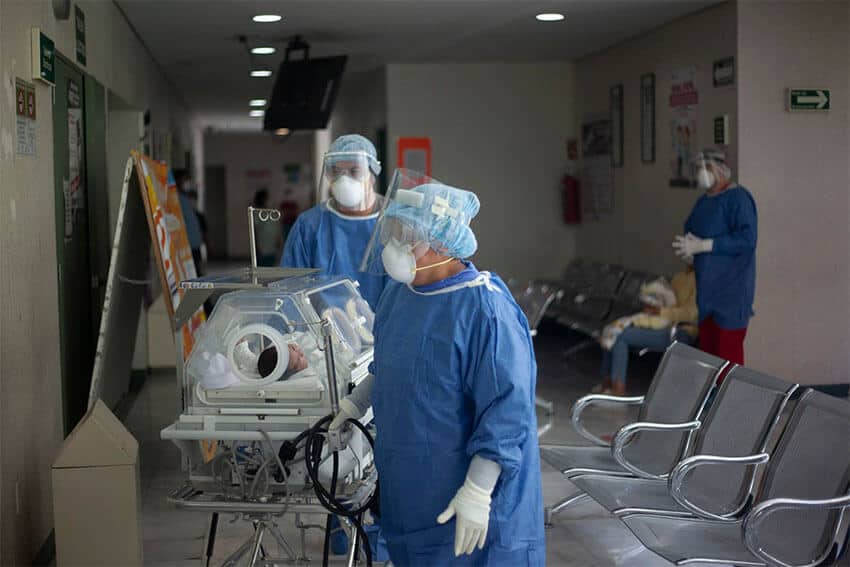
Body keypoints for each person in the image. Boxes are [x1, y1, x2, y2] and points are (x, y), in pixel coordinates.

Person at [330, 176, 545, 565]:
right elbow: (392, 368)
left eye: (406, 236)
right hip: (412, 497)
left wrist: (478, 491)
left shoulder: (485, 310)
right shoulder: (400, 294)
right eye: (391, 233)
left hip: (471, 504)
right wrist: (354, 405)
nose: (395, 246)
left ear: (444, 243)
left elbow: (506, 414)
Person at [280, 134, 389, 310]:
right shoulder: (310, 226)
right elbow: (289, 290)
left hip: (385, 332)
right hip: (324, 331)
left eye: (355, 171)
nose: (344, 180)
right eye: (336, 172)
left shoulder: (394, 222)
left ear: (373, 174)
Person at [673, 148, 757, 366]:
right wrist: (691, 251)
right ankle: (711, 400)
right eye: (699, 168)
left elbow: (747, 239)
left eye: (706, 167)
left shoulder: (738, 199)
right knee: (708, 361)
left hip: (731, 294)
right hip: (707, 292)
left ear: (721, 170)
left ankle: (730, 401)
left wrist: (707, 245)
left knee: (728, 361)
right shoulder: (704, 202)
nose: (702, 172)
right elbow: (690, 230)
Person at [593, 267, 698, 396]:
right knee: (614, 331)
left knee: (620, 336)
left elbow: (691, 315)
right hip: (662, 324)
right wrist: (654, 305)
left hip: (680, 331)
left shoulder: (700, 279)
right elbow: (669, 301)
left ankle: (617, 386)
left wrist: (660, 311)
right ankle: (609, 383)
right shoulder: (680, 276)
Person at [174, 169, 204, 276]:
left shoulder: (185, 197)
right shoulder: (175, 197)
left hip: (194, 241)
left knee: (197, 270)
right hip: (187, 243)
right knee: (192, 272)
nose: (187, 182)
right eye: (185, 179)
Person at [252, 189, 282, 266]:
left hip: (272, 244)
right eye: (268, 198)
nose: (270, 200)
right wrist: (256, 246)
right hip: (263, 244)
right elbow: (254, 230)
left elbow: (276, 227)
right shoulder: (257, 213)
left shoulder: (272, 212)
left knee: (271, 263)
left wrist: (278, 238)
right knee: (263, 265)